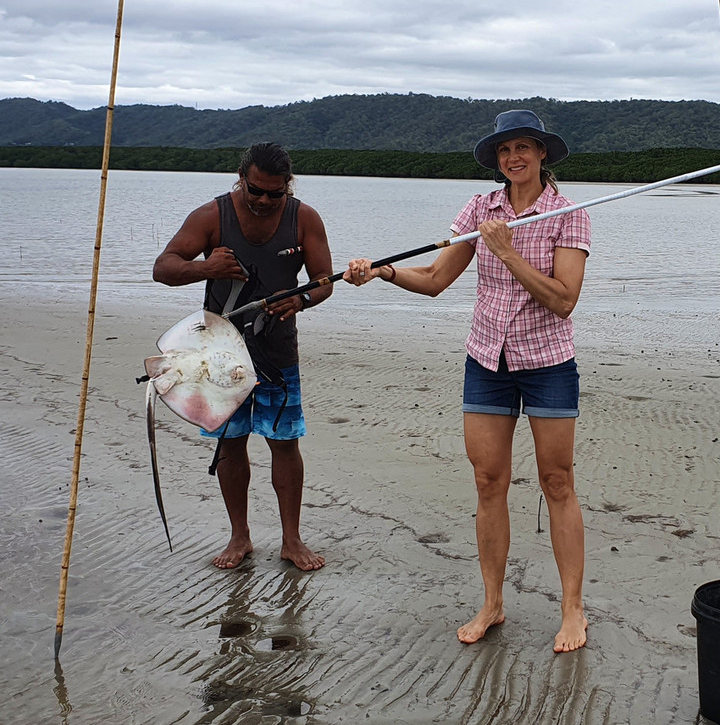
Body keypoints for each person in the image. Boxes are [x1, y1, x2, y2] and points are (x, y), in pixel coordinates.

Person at [344, 110, 591, 652]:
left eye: (523, 148)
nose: (513, 159)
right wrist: (384, 272)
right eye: (504, 152)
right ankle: (492, 602)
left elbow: (564, 300)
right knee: (487, 482)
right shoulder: (481, 208)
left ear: (542, 153)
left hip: (548, 361)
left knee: (557, 483)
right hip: (488, 361)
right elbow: (434, 279)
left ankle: (573, 609)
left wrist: (504, 251)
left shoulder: (568, 214)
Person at [153, 141, 333, 572]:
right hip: (218, 355)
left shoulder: (303, 218)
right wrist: (205, 268)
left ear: (288, 187)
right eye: (256, 191)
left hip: (277, 353)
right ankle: (240, 536)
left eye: (276, 193)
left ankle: (292, 539)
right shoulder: (211, 216)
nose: (265, 201)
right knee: (230, 444)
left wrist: (302, 301)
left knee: (284, 444)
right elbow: (163, 268)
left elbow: (324, 280)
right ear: (242, 179)